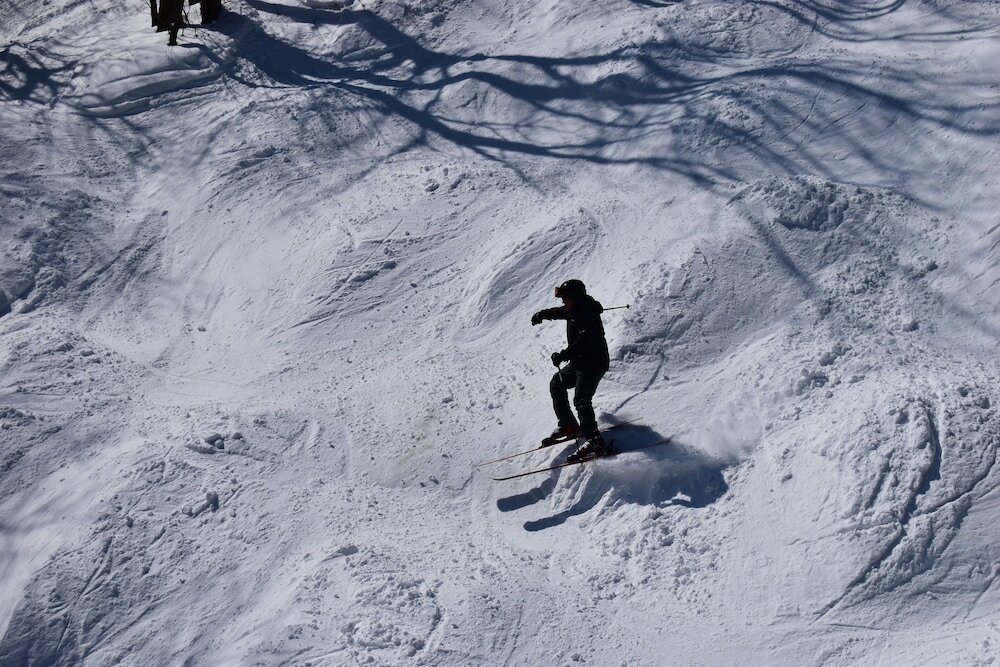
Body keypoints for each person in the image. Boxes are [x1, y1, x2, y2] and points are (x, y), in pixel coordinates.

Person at [531, 279, 611, 460]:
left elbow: (584, 341)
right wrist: (541, 314)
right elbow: (560, 312)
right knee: (557, 383)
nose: (563, 302)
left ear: (575, 298)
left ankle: (594, 440)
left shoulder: (587, 315)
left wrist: (563, 355)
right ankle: (569, 425)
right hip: (579, 363)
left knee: (581, 399)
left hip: (594, 364)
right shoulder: (573, 310)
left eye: (565, 298)